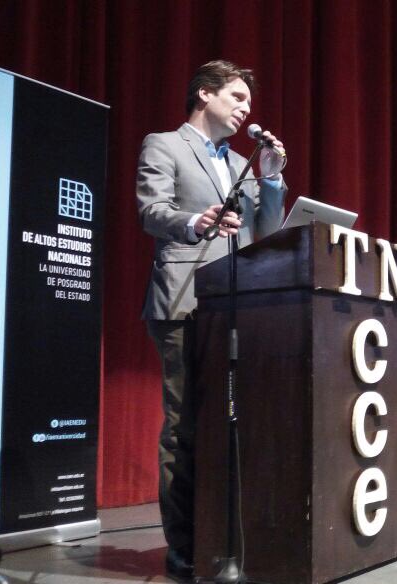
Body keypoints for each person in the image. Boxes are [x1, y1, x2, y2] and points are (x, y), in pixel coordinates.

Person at [136, 60, 286, 580]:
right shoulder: (165, 145)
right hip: (184, 302)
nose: (246, 108)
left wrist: (271, 179)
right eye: (238, 97)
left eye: (249, 102)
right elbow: (151, 211)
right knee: (186, 428)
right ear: (205, 93)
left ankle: (225, 538)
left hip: (236, 305)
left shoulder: (242, 163)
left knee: (233, 427)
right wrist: (193, 221)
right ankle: (183, 546)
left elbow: (266, 234)